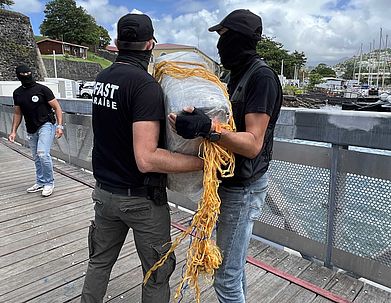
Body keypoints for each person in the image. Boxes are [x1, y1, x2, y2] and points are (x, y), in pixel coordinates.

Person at [80, 13, 203, 303]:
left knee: (98, 263)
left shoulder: (102, 78)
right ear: (150, 44)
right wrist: (204, 163)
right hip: (140, 201)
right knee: (157, 272)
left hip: (104, 194)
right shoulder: (145, 87)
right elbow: (146, 159)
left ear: (116, 44)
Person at [168, 9, 283, 302]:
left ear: (240, 38)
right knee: (234, 268)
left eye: (223, 36)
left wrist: (208, 129)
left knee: (226, 278)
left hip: (243, 188)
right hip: (228, 183)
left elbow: (253, 143)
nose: (219, 44)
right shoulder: (235, 76)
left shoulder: (262, 78)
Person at [8, 65, 64, 197]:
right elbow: (17, 114)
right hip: (31, 127)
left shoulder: (42, 89)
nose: (27, 75)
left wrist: (60, 126)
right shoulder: (17, 93)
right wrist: (13, 131)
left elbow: (57, 108)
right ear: (18, 76)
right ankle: (40, 181)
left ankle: (49, 183)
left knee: (43, 153)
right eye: (23, 74)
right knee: (36, 157)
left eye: (28, 72)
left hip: (46, 124)